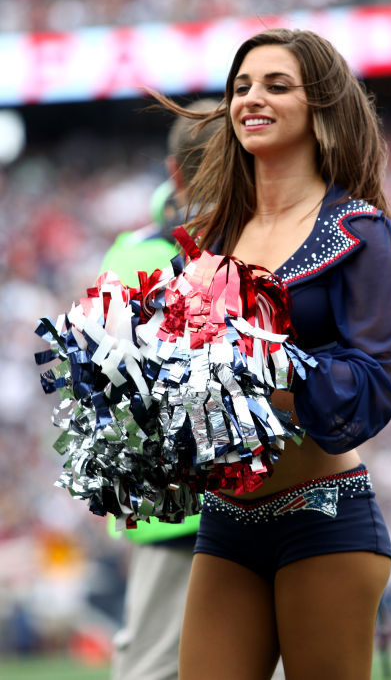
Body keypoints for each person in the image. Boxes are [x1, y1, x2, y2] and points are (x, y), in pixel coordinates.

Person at [155, 28, 391, 680]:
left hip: (322, 513)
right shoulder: (211, 238)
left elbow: (377, 381)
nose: (251, 99)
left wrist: (273, 368)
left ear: (319, 105)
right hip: (226, 518)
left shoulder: (359, 231)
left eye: (276, 85)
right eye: (241, 86)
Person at [103, 99, 222, 680]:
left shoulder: (134, 254)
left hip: (170, 504)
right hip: (197, 505)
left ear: (174, 172)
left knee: (154, 667)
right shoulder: (262, 249)